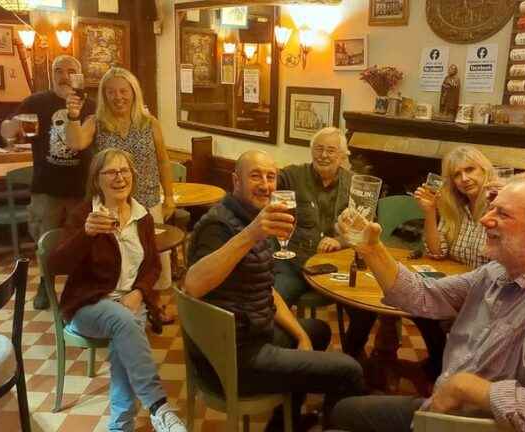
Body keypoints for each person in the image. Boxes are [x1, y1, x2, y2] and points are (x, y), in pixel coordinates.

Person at [331, 172, 525, 432]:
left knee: (345, 417)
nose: (485, 219)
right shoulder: (498, 271)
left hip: (471, 425)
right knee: (343, 411)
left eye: (502, 213)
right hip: (444, 414)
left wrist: (468, 388)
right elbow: (423, 296)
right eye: (490, 209)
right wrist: (372, 248)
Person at [184, 150, 364, 431]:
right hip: (232, 357)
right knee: (348, 370)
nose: (265, 184)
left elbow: (267, 290)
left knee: (317, 331)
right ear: (236, 180)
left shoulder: (253, 217)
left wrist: (301, 336)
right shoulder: (218, 224)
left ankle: (280, 425)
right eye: (255, 175)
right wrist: (252, 234)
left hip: (254, 332)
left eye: (271, 177)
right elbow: (193, 285)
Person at [47, 148, 186, 432]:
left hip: (132, 302)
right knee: (125, 323)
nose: (119, 177)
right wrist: (86, 234)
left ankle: (120, 427)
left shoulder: (142, 216)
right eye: (110, 172)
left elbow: (151, 267)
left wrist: (138, 293)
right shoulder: (84, 214)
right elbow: (55, 265)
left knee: (126, 334)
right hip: (88, 304)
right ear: (96, 180)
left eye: (124, 171)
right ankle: (159, 407)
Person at [65, 67, 176, 321]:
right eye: (111, 92)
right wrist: (72, 117)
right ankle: (121, 305)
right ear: (104, 95)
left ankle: (152, 305)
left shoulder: (150, 123)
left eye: (124, 91)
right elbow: (75, 143)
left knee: (157, 257)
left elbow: (163, 161)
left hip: (148, 200)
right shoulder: (96, 122)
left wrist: (169, 196)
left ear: (134, 93)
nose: (118, 97)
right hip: (112, 203)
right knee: (122, 258)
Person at [1, 54, 95, 310]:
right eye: (58, 70)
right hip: (46, 187)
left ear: (79, 75)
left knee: (82, 239)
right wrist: (10, 128)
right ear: (51, 74)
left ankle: (79, 283)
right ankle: (45, 283)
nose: (64, 76)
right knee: (44, 239)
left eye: (70, 70)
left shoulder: (91, 105)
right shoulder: (35, 102)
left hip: (82, 188)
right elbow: (7, 129)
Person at [273, 127, 376, 359]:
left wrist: (340, 241)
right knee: (271, 301)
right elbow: (265, 184)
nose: (324, 155)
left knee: (366, 311)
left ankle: (351, 355)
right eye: (319, 149)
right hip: (295, 264)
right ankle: (281, 355)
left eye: (331, 150)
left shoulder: (355, 184)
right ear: (311, 152)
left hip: (335, 267)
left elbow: (368, 225)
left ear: (342, 156)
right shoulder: (292, 176)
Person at [406, 146, 495, 385]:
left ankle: (450, 369)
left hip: (490, 291)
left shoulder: (499, 208)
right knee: (419, 306)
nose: (464, 179)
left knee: (428, 308)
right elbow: (437, 252)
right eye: (457, 174)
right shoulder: (457, 208)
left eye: (470, 170)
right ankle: (439, 361)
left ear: (484, 170)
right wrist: (430, 212)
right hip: (461, 287)